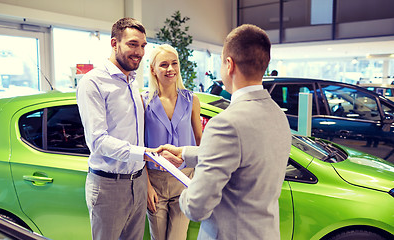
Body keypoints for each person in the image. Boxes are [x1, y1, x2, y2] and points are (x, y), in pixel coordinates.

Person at [159, 24, 291, 239]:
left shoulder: (226, 123)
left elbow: (196, 207)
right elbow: (246, 155)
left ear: (229, 64)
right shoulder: (278, 114)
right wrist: (184, 153)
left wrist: (181, 196)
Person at [77, 17, 151, 240]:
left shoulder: (132, 80)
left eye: (143, 46)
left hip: (137, 182)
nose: (139, 51)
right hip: (109, 186)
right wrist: (145, 153)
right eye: (132, 44)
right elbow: (98, 141)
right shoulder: (93, 82)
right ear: (114, 43)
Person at [142, 44, 202, 240]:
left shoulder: (192, 100)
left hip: (185, 180)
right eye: (164, 64)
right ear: (153, 69)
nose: (170, 69)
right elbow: (140, 147)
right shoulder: (143, 102)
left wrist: (199, 181)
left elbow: (200, 144)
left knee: (177, 237)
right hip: (155, 181)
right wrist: (147, 186)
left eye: (174, 63)